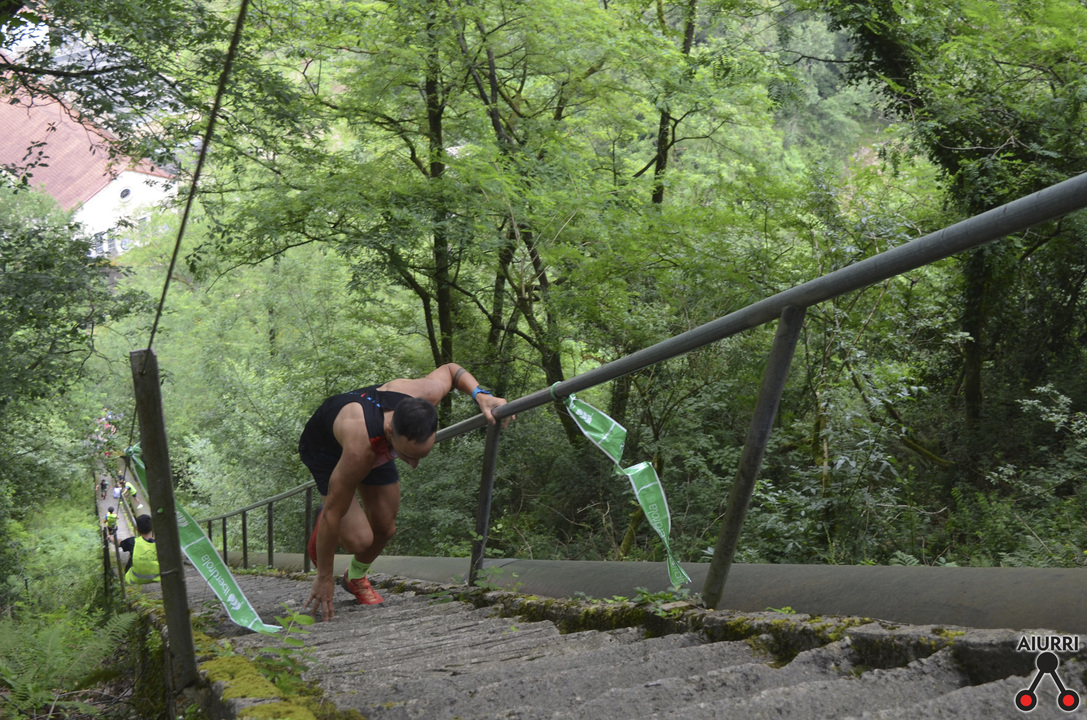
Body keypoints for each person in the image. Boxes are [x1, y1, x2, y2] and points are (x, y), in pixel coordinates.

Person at [300, 364, 511, 621]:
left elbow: (451, 371)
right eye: (408, 456)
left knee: (385, 528)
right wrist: (324, 577)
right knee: (358, 539)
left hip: (379, 441)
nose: (413, 465)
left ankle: (354, 578)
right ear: (391, 431)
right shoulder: (359, 451)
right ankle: (322, 520)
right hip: (327, 449)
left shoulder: (424, 394)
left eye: (420, 456)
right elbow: (335, 514)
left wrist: (481, 395)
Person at [114, 514, 159, 584]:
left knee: (132, 552)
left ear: (137, 529)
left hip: (134, 579)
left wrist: (110, 538)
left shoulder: (133, 541)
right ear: (152, 528)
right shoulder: (159, 543)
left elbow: (119, 543)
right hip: (157, 577)